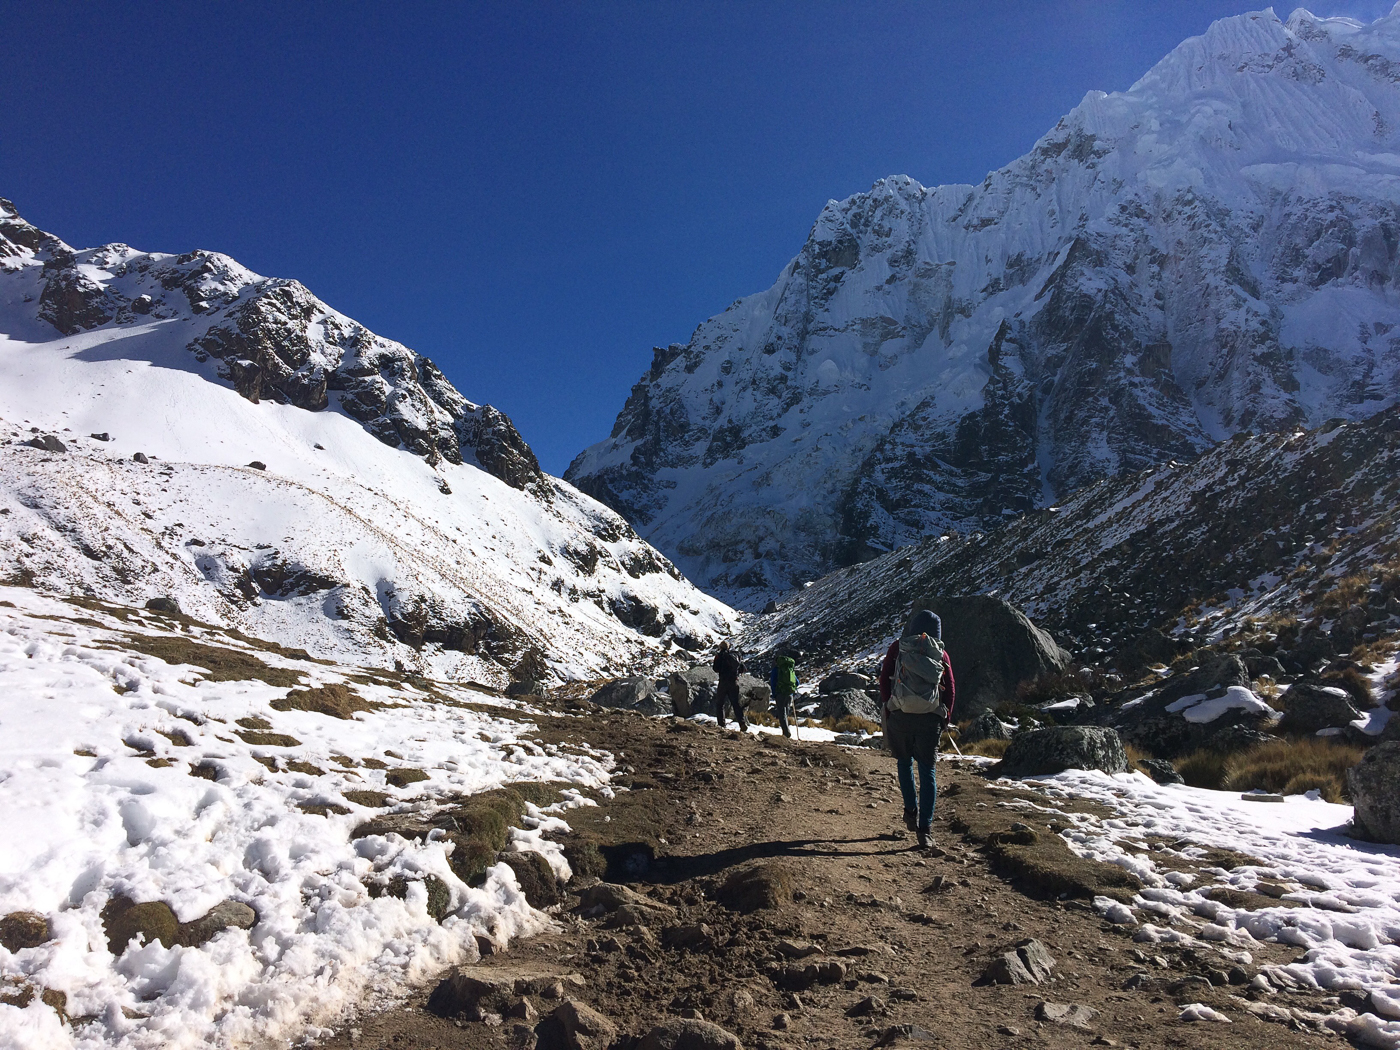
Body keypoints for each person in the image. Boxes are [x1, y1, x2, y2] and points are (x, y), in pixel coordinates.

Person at [879, 609, 955, 849]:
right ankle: (925, 830)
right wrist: (945, 717)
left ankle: (910, 810)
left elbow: (884, 678)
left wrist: (890, 707)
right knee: (928, 771)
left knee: (903, 762)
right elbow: (950, 687)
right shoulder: (940, 653)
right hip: (929, 719)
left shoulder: (898, 647)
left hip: (900, 715)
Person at [712, 640, 747, 731]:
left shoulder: (719, 656)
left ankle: (721, 725)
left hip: (723, 682)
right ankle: (742, 723)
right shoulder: (735, 655)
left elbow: (715, 668)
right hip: (734, 682)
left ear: (721, 647)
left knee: (720, 704)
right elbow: (742, 668)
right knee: (736, 704)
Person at [769, 653, 799, 738]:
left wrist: (774, 694)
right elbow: (797, 682)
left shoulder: (776, 669)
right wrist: (791, 689)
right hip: (789, 693)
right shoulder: (790, 669)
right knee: (786, 711)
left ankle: (786, 732)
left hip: (780, 693)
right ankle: (787, 730)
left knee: (782, 713)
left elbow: (773, 682)